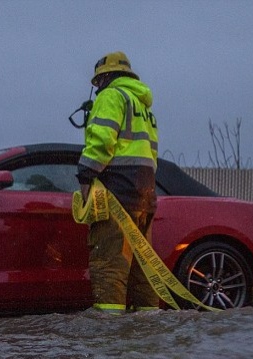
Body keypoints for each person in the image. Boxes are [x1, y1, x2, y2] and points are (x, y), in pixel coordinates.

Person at [77, 51, 159, 314]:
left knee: (109, 263)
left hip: (115, 193)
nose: (97, 88)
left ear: (105, 77)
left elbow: (101, 140)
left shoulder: (111, 96)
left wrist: (86, 175)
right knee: (141, 268)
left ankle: (108, 333)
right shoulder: (143, 107)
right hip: (144, 194)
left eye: (98, 82)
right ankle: (147, 324)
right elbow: (151, 154)